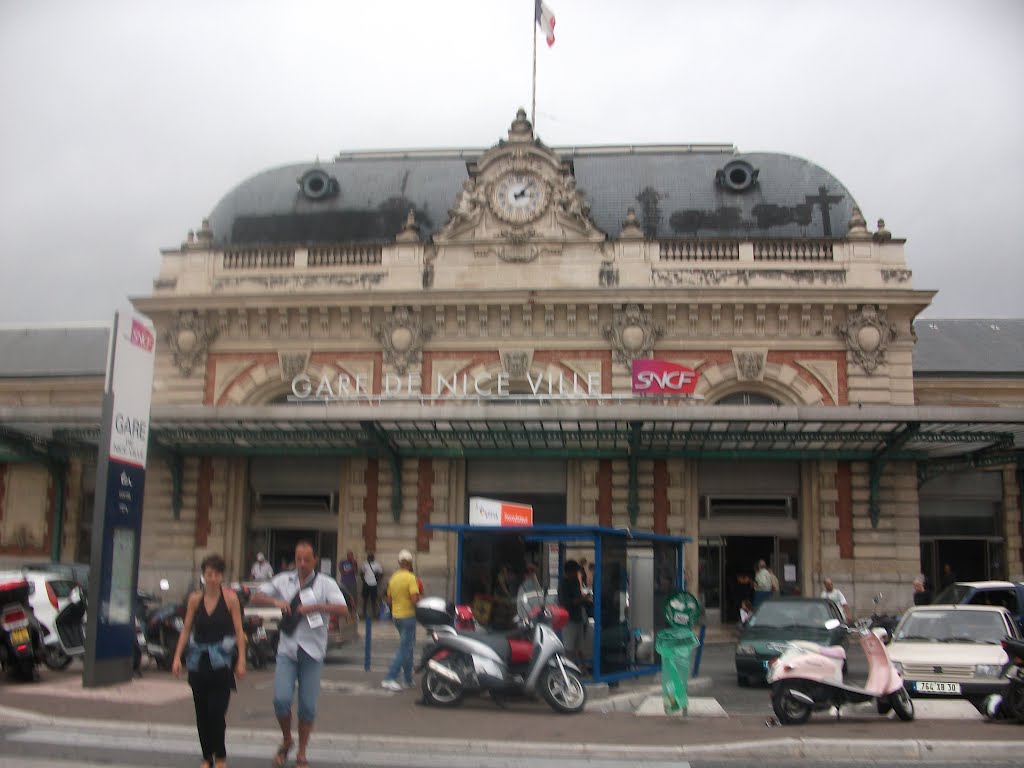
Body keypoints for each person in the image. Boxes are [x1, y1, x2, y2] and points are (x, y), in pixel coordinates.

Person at [251, 541, 348, 768]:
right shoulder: (284, 580)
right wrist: (275, 600)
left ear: (315, 559)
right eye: (298, 559)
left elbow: (343, 609)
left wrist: (317, 607)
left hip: (313, 652)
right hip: (287, 649)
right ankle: (287, 740)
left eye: (306, 559)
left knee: (307, 706)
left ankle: (302, 752)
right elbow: (257, 596)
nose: (302, 564)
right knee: (281, 700)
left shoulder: (326, 583)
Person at [172, 553, 247, 768]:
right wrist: (177, 657)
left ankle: (220, 755)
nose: (212, 578)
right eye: (209, 574)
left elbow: (239, 631)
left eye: (216, 574)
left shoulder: (231, 599)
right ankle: (207, 757)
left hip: (221, 663)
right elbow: (186, 629)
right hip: (199, 662)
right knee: (201, 713)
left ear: (222, 576)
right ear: (204, 576)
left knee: (216, 713)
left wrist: (241, 660)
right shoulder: (195, 599)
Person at [381, 549, 420, 691]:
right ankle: (389, 678)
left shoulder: (393, 578)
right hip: (408, 616)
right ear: (410, 563)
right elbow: (415, 598)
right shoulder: (411, 578)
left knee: (408, 648)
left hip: (396, 616)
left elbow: (389, 600)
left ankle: (408, 679)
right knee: (405, 648)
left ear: (399, 563)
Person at [559, 560, 591, 669]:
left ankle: (583, 668)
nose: (576, 574)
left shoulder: (576, 582)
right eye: (575, 572)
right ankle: (568, 670)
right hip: (569, 620)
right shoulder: (564, 584)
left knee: (580, 646)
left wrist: (584, 599)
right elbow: (564, 602)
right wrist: (580, 599)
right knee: (569, 648)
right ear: (568, 572)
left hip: (578, 618)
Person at [361, 553, 384, 619]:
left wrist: (378, 580)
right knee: (365, 599)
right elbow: (362, 572)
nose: (370, 558)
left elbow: (381, 573)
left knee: (373, 599)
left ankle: (374, 613)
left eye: (371, 557)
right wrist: (364, 580)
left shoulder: (377, 564)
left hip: (374, 583)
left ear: (373, 558)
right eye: (369, 557)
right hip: (366, 583)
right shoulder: (364, 564)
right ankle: (364, 613)